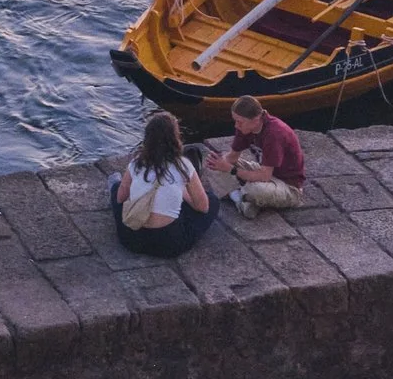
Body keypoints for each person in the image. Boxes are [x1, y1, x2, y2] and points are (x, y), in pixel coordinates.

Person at [111, 111, 217, 258]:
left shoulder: (136, 162)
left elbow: (120, 199)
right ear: (175, 138)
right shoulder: (183, 165)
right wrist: (182, 191)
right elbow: (203, 207)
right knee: (212, 201)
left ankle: (113, 182)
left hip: (132, 239)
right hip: (169, 244)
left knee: (117, 188)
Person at [221, 93, 308, 213]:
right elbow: (232, 157)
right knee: (215, 163)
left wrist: (232, 171)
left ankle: (236, 194)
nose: (236, 125)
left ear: (256, 120)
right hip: (264, 170)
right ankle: (240, 199)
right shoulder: (245, 128)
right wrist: (220, 165)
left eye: (240, 122)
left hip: (287, 185)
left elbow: (264, 176)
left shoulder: (274, 134)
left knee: (255, 190)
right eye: (235, 121)